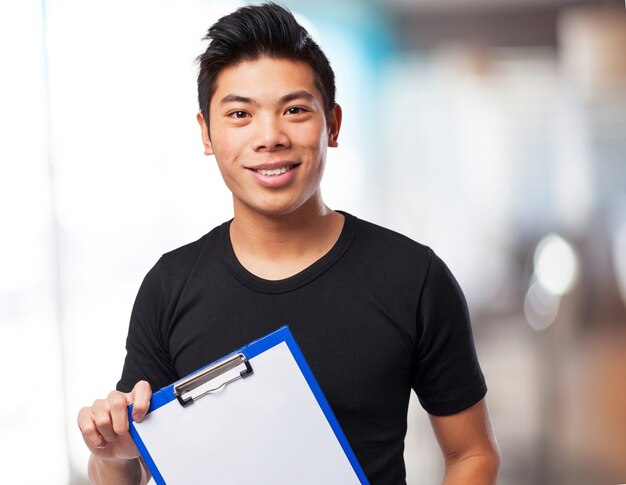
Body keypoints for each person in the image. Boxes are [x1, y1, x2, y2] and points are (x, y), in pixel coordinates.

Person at [77, 3, 500, 484]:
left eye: (295, 110)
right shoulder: (170, 286)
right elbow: (127, 472)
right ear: (207, 134)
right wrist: (110, 456)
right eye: (240, 113)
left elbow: (472, 454)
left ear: (332, 124)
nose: (270, 137)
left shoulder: (413, 277)